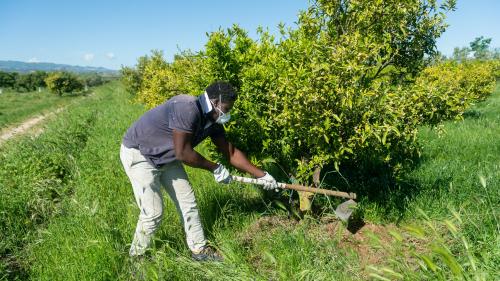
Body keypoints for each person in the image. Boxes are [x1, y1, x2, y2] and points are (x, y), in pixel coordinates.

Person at [120, 81, 278, 261]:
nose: (228, 113)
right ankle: (136, 257)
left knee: (188, 202)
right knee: (153, 212)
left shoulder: (213, 120)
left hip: (168, 157)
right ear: (215, 102)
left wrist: (262, 175)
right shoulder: (187, 108)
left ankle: (199, 251)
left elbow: (231, 152)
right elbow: (183, 153)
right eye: (227, 108)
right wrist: (215, 168)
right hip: (141, 154)